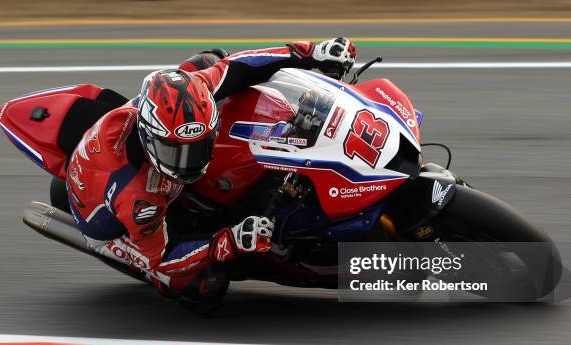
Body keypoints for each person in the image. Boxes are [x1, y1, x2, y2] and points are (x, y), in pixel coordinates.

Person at [66, 38, 357, 310]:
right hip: (121, 226)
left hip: (140, 163)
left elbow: (240, 66)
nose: (190, 161)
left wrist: (310, 52)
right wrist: (226, 241)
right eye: (176, 152)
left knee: (214, 59)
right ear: (149, 139)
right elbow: (163, 260)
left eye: (198, 146)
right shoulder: (139, 198)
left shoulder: (197, 90)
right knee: (203, 286)